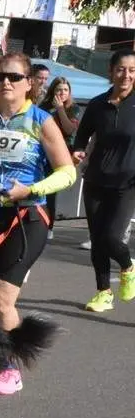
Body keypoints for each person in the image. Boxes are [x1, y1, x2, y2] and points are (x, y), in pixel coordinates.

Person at [0, 52, 75, 394]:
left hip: (25, 218)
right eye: (1, 75)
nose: (6, 82)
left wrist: (31, 189)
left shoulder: (40, 120)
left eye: (15, 77)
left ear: (29, 85)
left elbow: (67, 172)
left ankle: (5, 364)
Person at [71, 49, 135, 313]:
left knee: (111, 237)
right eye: (121, 69)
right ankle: (103, 293)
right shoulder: (98, 105)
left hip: (129, 183)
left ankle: (128, 266)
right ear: (111, 71)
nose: (127, 75)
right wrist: (77, 150)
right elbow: (81, 137)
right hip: (96, 180)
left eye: (132, 70)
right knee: (97, 239)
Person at [38, 76, 80, 237]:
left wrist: (61, 109)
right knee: (39, 187)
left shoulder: (73, 108)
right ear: (52, 91)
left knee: (51, 190)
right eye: (59, 89)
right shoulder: (44, 107)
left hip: (62, 152)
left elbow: (69, 130)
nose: (62, 93)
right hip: (43, 151)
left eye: (65, 90)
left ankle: (49, 226)